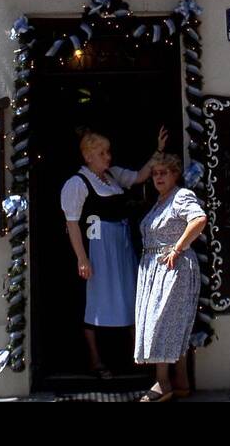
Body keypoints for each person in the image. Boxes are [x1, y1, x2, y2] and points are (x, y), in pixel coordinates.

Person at [61, 125, 169, 379]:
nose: (107, 157)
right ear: (88, 156)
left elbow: (141, 176)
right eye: (102, 153)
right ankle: (96, 360)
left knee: (129, 296)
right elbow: (72, 222)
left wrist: (159, 150)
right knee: (94, 301)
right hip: (97, 248)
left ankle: (136, 357)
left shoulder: (112, 175)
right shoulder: (78, 183)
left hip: (119, 246)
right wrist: (82, 258)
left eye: (108, 152)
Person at [134, 154, 208, 401]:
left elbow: (199, 219)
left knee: (162, 323)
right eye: (155, 173)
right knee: (173, 324)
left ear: (175, 174)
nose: (159, 177)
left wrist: (177, 248)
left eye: (164, 172)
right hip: (154, 269)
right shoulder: (160, 201)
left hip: (172, 267)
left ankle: (163, 383)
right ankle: (181, 381)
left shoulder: (180, 196)